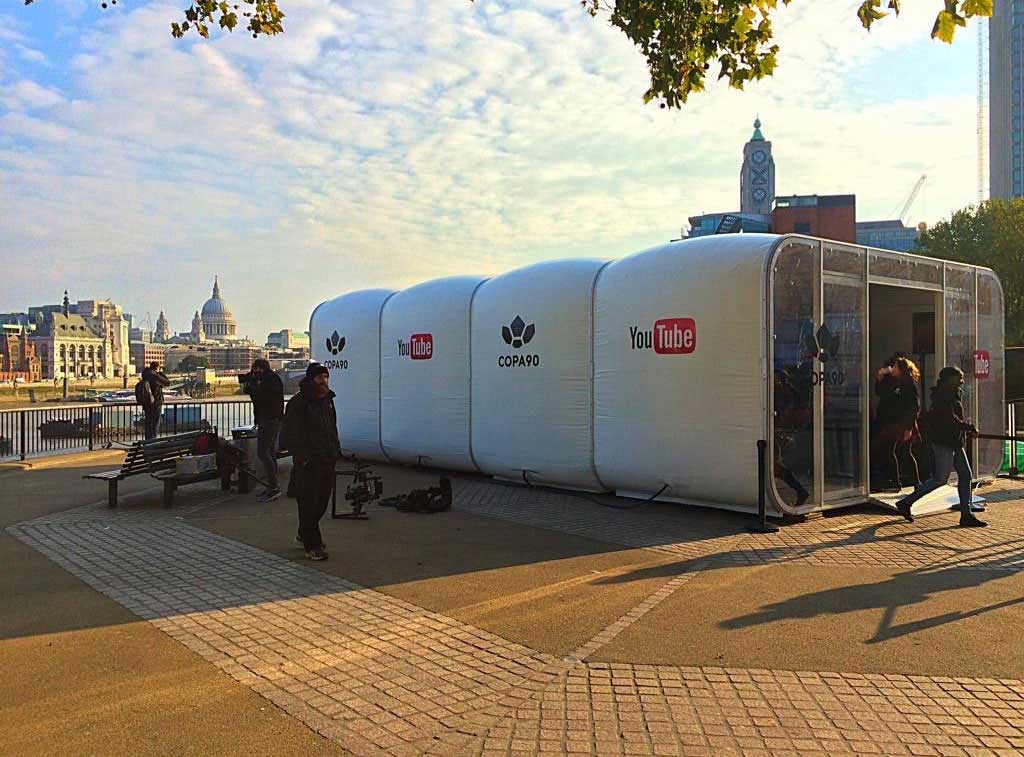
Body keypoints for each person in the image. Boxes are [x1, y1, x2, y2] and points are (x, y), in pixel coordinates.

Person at [896, 366, 985, 527]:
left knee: (965, 475)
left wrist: (964, 429)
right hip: (945, 442)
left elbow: (953, 419)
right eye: (959, 378)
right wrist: (968, 427)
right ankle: (906, 502)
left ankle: (966, 514)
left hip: (955, 442)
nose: (962, 381)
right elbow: (950, 419)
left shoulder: (951, 394)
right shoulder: (942, 397)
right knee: (940, 479)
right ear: (950, 380)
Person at [281, 363, 341, 561]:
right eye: (319, 377)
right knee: (308, 502)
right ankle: (312, 544)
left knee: (322, 501)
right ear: (311, 379)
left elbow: (332, 427)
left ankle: (303, 531)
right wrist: (302, 457)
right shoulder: (299, 403)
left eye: (325, 376)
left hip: (327, 458)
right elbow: (290, 432)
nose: (323, 380)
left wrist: (335, 450)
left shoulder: (328, 401)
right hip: (308, 462)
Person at [871, 356, 922, 492]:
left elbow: (914, 406)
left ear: (901, 369)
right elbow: (881, 393)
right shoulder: (893, 381)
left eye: (895, 367)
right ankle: (895, 481)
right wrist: (879, 379)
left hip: (903, 424)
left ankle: (916, 482)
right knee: (889, 450)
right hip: (893, 423)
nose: (892, 368)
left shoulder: (909, 384)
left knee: (905, 452)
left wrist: (909, 427)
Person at [240, 359, 285, 502]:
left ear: (262, 369)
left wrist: (254, 386)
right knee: (270, 452)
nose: (254, 372)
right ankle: (272, 486)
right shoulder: (267, 379)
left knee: (263, 452)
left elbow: (264, 399)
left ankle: (274, 486)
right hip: (268, 419)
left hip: (270, 420)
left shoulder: (270, 381)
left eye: (256, 369)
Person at [139, 361, 171, 440]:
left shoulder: (145, 374)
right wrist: (161, 373)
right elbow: (167, 382)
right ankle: (153, 441)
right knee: (155, 423)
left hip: (147, 403)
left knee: (148, 423)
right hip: (156, 402)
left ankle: (147, 441)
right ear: (157, 368)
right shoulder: (154, 376)